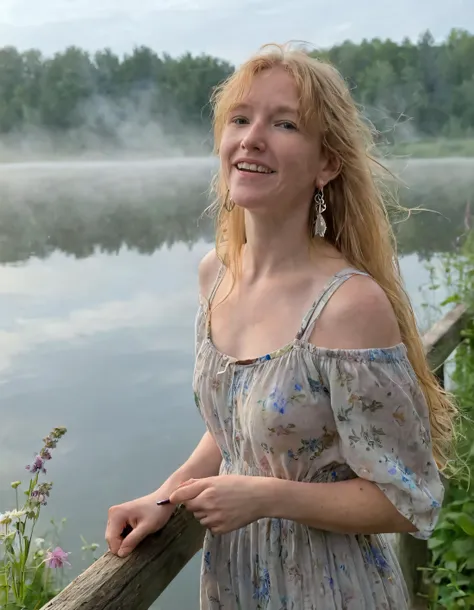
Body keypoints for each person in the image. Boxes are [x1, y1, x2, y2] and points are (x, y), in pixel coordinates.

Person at [105, 43, 456, 609]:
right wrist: (165, 499)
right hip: (235, 583)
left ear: (327, 163)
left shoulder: (348, 305)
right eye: (240, 119)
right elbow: (235, 430)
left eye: (285, 123)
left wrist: (267, 497)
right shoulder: (215, 276)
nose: (252, 137)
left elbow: (406, 500)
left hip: (330, 589)